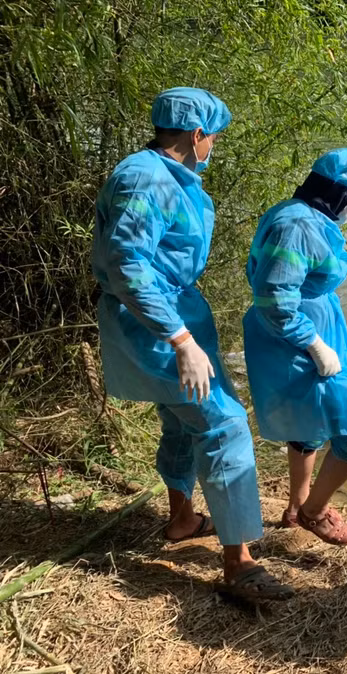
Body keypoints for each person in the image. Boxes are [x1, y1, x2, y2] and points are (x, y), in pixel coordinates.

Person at [91, 87, 292, 600]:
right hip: (156, 321)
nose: (214, 149)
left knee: (182, 420)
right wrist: (180, 338)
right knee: (224, 424)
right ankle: (240, 564)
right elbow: (127, 265)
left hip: (174, 311)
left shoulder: (165, 175)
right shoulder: (147, 178)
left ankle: (182, 519)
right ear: (198, 134)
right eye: (214, 139)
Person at [243, 148, 347, 545]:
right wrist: (315, 345)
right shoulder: (297, 226)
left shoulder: (299, 214)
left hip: (312, 326)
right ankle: (314, 512)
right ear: (338, 194)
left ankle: (296, 505)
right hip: (294, 337)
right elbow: (273, 296)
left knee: (308, 423)